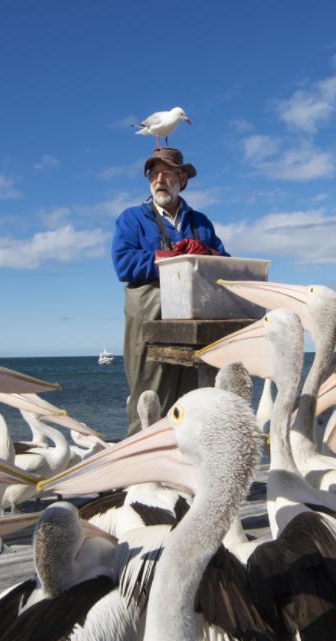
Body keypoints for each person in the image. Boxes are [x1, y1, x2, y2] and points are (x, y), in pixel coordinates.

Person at [112, 147, 229, 435]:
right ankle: (141, 474)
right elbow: (123, 264)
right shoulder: (132, 219)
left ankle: (182, 472)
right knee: (148, 400)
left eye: (167, 173)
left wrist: (208, 253)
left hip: (194, 324)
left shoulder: (200, 222)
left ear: (183, 179)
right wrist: (170, 258)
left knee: (193, 403)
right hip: (149, 319)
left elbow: (225, 264)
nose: (159, 179)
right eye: (153, 173)